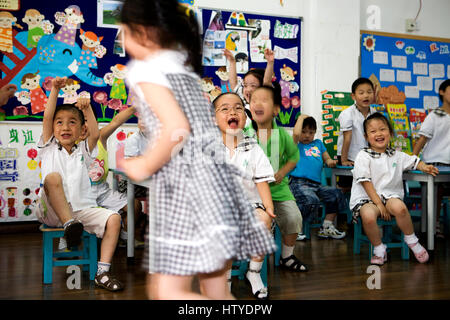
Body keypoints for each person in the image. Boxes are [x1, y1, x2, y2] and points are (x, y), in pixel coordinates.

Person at [119, 0, 276, 300]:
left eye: (124, 30)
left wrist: (143, 165)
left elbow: (176, 128)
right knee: (215, 290)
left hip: (185, 193)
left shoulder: (146, 70)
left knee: (167, 293)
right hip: (216, 190)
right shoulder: (182, 68)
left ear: (142, 32)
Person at [35, 76, 123, 291]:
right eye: (60, 122)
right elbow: (47, 118)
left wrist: (88, 110)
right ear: (54, 128)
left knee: (114, 218)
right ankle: (68, 226)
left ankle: (102, 272)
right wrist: (54, 89)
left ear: (81, 129)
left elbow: (95, 133)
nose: (65, 127)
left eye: (72, 122)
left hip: (81, 211)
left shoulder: (85, 150)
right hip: (53, 212)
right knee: (52, 178)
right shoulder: (49, 148)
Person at [350, 112, 438, 265]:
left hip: (390, 196)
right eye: (373, 131)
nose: (378, 133)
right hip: (367, 199)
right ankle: (379, 249)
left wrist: (425, 166)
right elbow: (366, 183)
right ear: (366, 136)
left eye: (382, 129)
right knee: (368, 216)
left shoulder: (397, 155)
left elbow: (414, 161)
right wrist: (378, 204)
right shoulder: (363, 156)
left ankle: (412, 241)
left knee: (401, 208)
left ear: (390, 133)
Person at [214, 92, 275, 299]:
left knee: (264, 219)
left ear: (245, 116)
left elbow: (261, 180)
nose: (232, 111)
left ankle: (254, 271)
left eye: (238, 108)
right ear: (214, 119)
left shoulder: (253, 147)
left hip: (248, 204)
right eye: (225, 109)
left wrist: (269, 207)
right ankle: (226, 278)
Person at [248, 85, 308, 272]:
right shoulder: (243, 133)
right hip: (252, 193)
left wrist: (282, 172)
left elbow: (294, 157)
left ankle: (287, 256)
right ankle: (253, 263)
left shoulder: (282, 134)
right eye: (253, 100)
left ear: (275, 110)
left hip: (279, 190)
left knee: (293, 217)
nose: (257, 103)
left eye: (264, 100)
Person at [289, 116, 347, 239]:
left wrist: (330, 161)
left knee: (336, 194)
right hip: (298, 183)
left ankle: (326, 226)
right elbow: (295, 135)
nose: (306, 135)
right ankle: (295, 228)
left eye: (311, 132)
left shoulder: (318, 144)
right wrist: (300, 118)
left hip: (317, 185)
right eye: (303, 132)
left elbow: (326, 157)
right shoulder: (294, 145)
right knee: (310, 199)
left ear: (315, 132)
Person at [412, 79, 450, 238]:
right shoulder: (435, 115)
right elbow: (422, 139)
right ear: (442, 92)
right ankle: (432, 227)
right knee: (436, 193)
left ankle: (434, 226)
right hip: (434, 164)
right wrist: (413, 160)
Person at [336, 78, 377, 189]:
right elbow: (347, 138)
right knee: (345, 187)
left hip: (366, 157)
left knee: (366, 187)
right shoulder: (347, 114)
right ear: (353, 96)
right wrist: (344, 160)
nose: (366, 96)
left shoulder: (374, 113)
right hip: (348, 156)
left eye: (369, 92)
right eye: (361, 93)